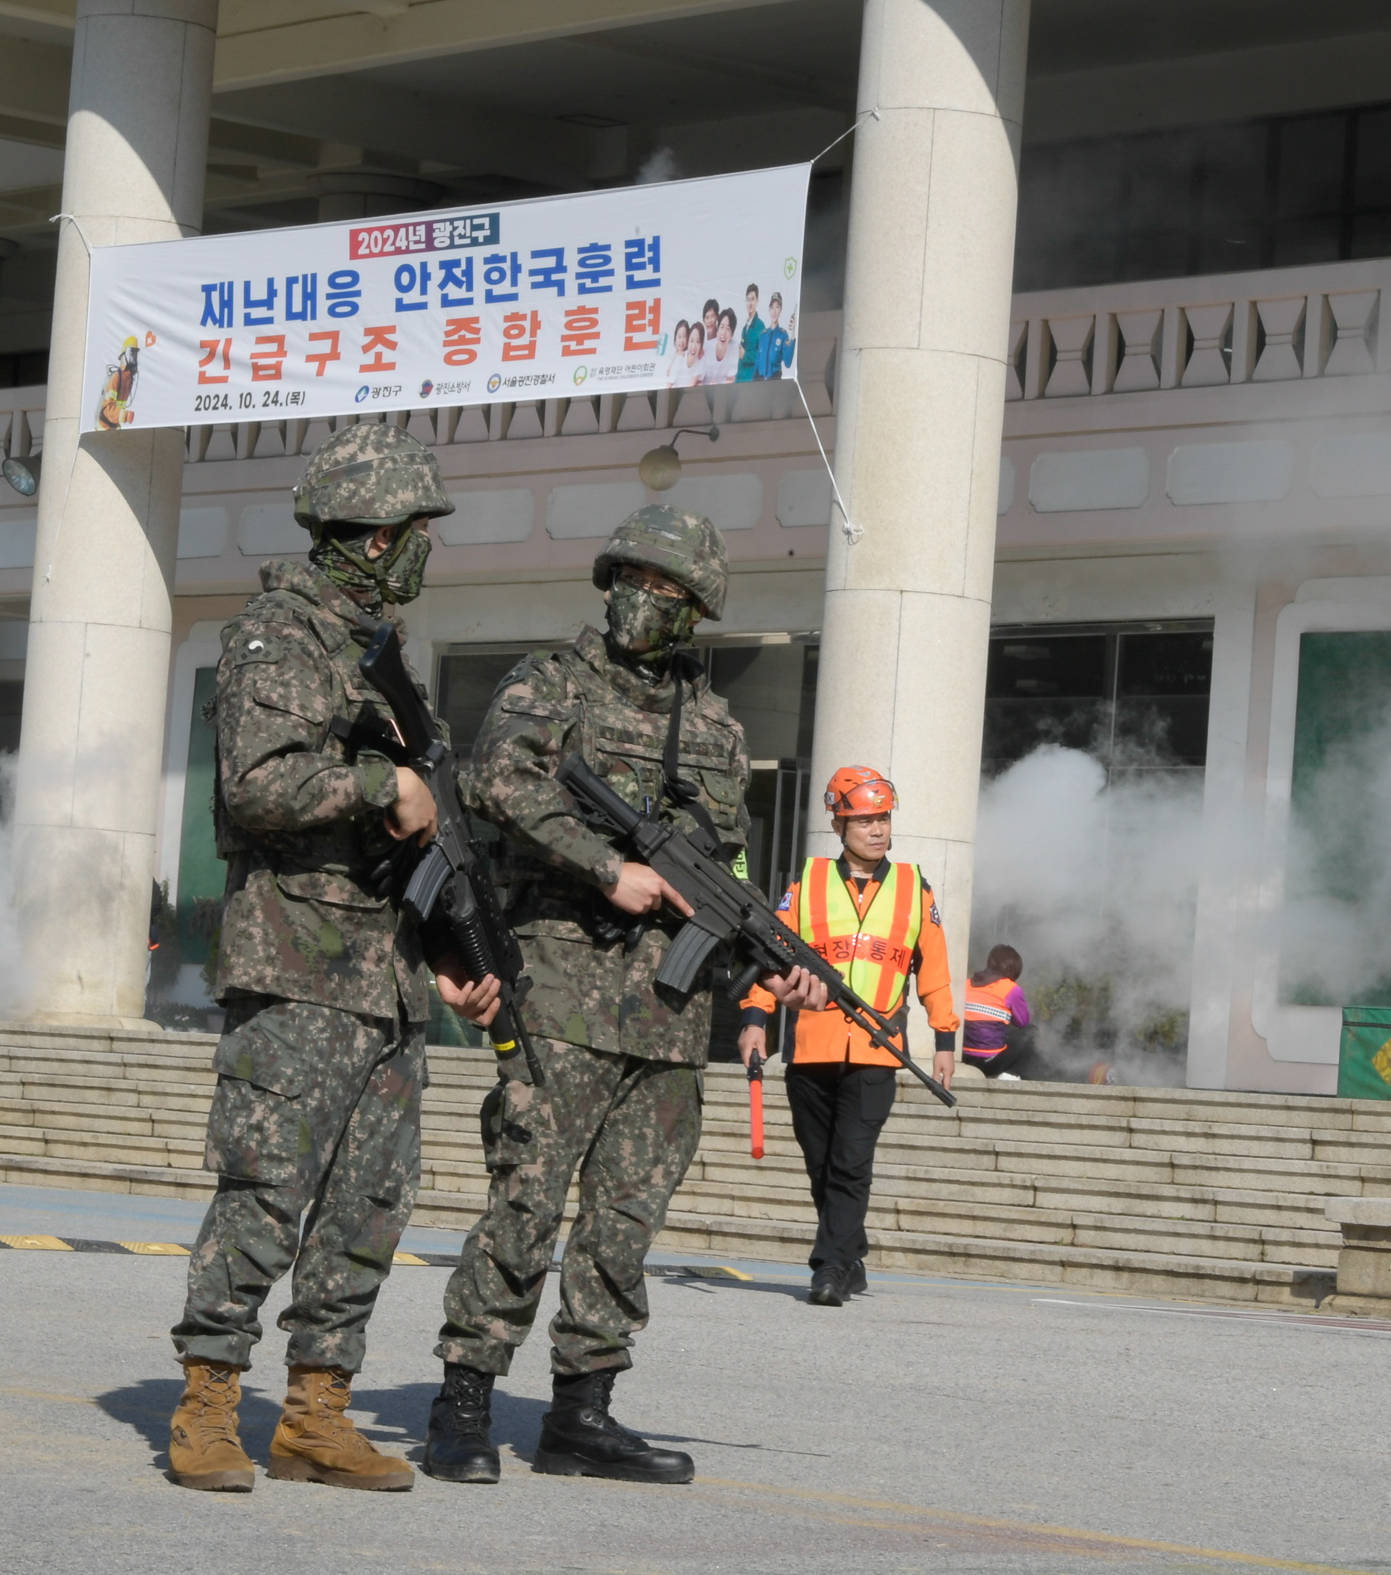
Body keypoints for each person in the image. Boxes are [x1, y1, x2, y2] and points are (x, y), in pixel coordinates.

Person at [165, 424, 502, 1495]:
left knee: (369, 1204)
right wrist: (373, 785)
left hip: (388, 976)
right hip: (299, 965)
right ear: (362, 536)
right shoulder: (278, 637)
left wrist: (450, 950)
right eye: (412, 533)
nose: (421, 552)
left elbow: (417, 826)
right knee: (265, 1189)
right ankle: (208, 1400)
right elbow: (258, 784)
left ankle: (317, 1408)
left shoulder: (377, 652)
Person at [426, 505, 753, 1488]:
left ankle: (583, 1411)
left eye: (663, 589)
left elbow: (725, 850)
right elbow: (497, 784)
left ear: (693, 609)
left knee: (624, 1219)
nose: (639, 599)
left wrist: (751, 939)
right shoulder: (549, 681)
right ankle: (464, 1399)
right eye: (630, 578)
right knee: (525, 1201)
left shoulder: (718, 727)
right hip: (561, 992)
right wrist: (606, 864)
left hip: (668, 1015)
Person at [737, 767, 960, 1307]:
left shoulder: (915, 888)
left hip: (878, 1051)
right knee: (821, 1162)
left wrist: (946, 1037)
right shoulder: (805, 885)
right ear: (839, 823)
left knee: (850, 1161)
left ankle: (830, 1267)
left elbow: (934, 969)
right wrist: (755, 1019)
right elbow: (771, 958)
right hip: (809, 1047)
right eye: (864, 820)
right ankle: (851, 1249)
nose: (877, 830)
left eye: (883, 818)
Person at [962, 944, 1037, 1079]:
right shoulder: (1011, 988)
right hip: (991, 1062)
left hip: (964, 1058)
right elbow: (1023, 1022)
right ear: (1014, 969)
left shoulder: (966, 984)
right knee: (1031, 1032)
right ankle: (1011, 1075)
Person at [753, 292, 793, 382]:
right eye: (772, 307)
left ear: (781, 310)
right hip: (759, 383)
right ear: (769, 310)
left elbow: (788, 362)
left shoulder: (783, 335)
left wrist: (793, 335)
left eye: (777, 307)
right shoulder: (763, 336)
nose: (774, 311)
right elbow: (757, 364)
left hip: (774, 383)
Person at [734, 283, 764, 382]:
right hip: (740, 379)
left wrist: (746, 355)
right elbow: (740, 357)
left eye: (752, 299)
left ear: (757, 301)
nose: (750, 303)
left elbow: (762, 356)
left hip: (751, 381)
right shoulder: (744, 328)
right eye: (748, 299)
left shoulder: (760, 326)